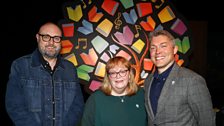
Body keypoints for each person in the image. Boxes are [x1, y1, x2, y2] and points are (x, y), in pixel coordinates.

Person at [5, 22, 84, 126]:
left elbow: (77, 106)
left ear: (61, 41)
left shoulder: (70, 69)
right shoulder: (20, 66)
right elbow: (15, 106)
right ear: (38, 38)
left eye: (56, 38)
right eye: (46, 37)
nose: (51, 42)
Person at [144, 30, 216, 126]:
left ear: (174, 50)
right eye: (153, 48)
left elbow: (207, 121)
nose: (157, 52)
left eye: (163, 46)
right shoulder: (148, 81)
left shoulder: (192, 80)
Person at [81, 56, 147, 126]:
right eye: (113, 73)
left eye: (122, 71)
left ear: (129, 75)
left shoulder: (141, 94)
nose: (118, 76)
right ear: (108, 77)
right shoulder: (96, 99)